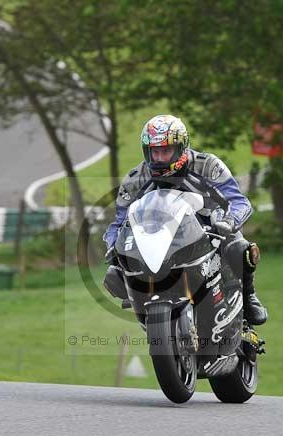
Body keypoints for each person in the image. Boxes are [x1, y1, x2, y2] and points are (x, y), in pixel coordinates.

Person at [103, 114, 267, 325]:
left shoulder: (207, 166)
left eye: (166, 151)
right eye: (155, 152)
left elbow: (239, 202)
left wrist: (228, 221)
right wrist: (112, 244)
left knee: (240, 248)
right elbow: (118, 221)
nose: (160, 158)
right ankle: (146, 310)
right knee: (114, 272)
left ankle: (248, 296)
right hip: (161, 239)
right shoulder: (136, 179)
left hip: (210, 231)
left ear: (182, 147)